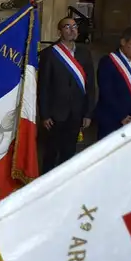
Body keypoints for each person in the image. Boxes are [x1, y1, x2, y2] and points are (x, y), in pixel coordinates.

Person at [38, 17, 95, 172]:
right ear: (59, 32)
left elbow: (90, 85)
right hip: (55, 114)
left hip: (77, 112)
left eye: (74, 26)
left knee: (69, 152)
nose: (72, 30)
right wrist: (44, 114)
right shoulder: (49, 54)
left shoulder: (84, 53)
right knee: (51, 153)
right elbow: (43, 86)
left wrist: (88, 113)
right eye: (67, 27)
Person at [95, 26, 131, 140]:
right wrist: (122, 116)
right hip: (110, 118)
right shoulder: (107, 61)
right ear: (123, 42)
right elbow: (106, 92)